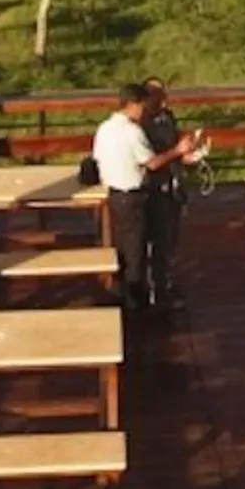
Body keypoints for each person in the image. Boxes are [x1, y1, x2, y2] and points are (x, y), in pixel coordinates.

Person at [94, 84, 206, 318]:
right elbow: (152, 163)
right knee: (135, 251)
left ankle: (129, 296)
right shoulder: (132, 132)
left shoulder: (104, 129)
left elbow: (98, 158)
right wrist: (178, 151)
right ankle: (136, 305)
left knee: (126, 249)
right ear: (134, 104)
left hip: (114, 194)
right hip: (132, 195)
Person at [140, 78, 195, 316]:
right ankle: (156, 290)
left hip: (173, 183)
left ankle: (166, 283)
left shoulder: (168, 117)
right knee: (157, 240)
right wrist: (177, 152)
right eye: (156, 94)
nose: (162, 99)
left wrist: (188, 157)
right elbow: (150, 160)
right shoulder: (140, 125)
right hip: (154, 187)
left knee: (170, 239)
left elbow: (174, 148)